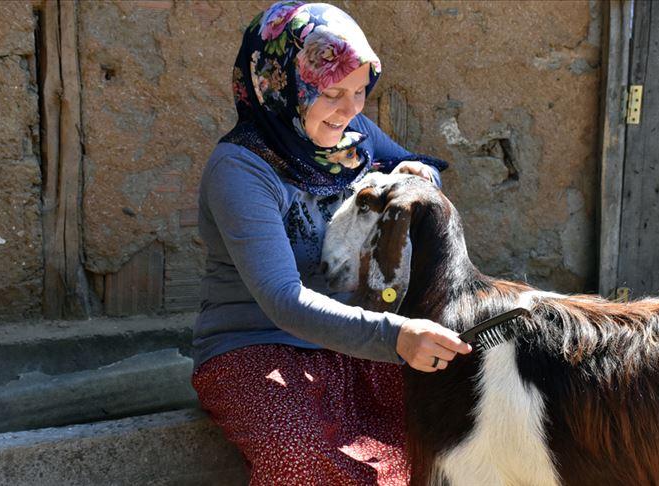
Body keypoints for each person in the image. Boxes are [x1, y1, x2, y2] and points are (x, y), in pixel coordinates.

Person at [190, 2, 472, 484]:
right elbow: (284, 301)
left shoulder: (351, 134)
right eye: (334, 92)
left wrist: (414, 177)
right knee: (303, 457)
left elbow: (416, 168)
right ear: (281, 86)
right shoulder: (240, 171)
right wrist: (397, 337)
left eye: (361, 91)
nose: (352, 109)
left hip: (350, 344)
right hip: (256, 347)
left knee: (444, 431)